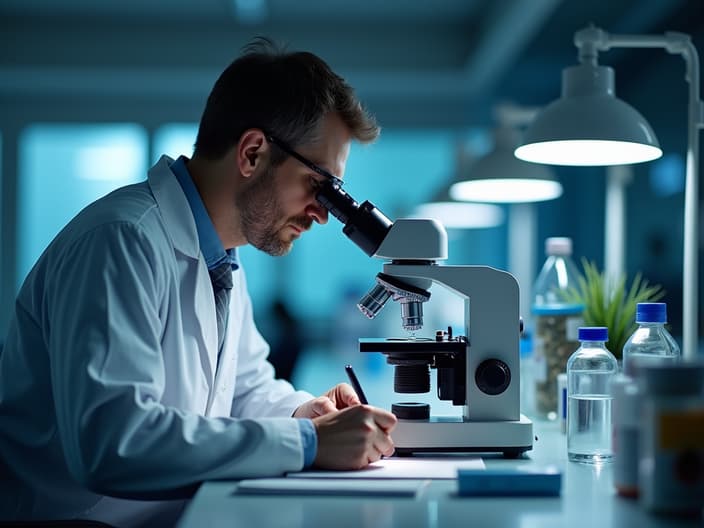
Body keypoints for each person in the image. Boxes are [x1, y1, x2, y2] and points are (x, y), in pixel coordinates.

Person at [0, 38, 397, 527]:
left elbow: (243, 393)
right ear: (252, 153)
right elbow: (115, 445)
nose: (322, 214)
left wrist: (306, 415)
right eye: (321, 187)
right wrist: (309, 444)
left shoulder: (223, 261)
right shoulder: (122, 242)